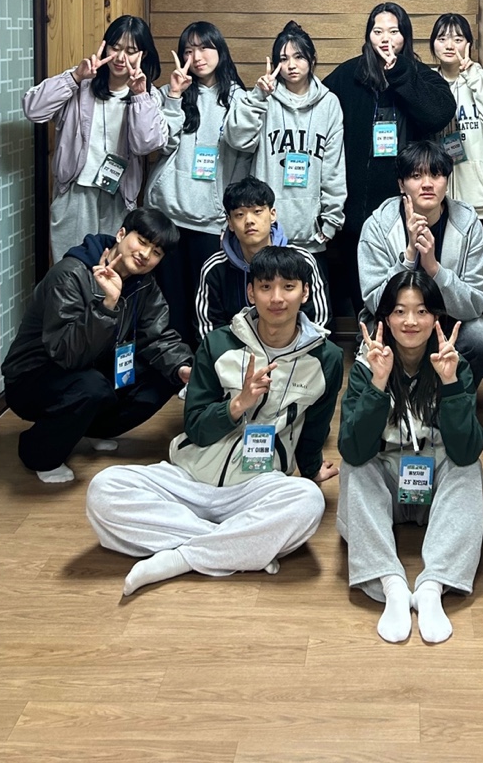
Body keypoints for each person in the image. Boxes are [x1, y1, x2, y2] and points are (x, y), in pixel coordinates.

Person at [85, 246, 343, 595]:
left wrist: (310, 470)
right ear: (251, 292)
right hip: (189, 477)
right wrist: (237, 405)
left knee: (308, 500)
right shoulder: (220, 342)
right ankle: (238, 547)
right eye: (265, 287)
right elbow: (195, 425)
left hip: (255, 488)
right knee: (104, 488)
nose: (276, 298)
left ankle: (179, 557)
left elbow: (314, 428)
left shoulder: (326, 358)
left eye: (288, 287)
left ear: (306, 292)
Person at [337, 271, 483, 644]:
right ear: (385, 318)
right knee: (354, 467)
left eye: (421, 311)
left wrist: (450, 383)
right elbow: (353, 449)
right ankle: (391, 584)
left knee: (469, 467)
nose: (410, 321)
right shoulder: (367, 367)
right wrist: (378, 383)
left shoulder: (455, 365)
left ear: (436, 317)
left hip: (434, 491)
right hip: (387, 488)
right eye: (400, 311)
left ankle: (433, 585)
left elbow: (466, 450)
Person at [2, 207, 192, 484]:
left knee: (165, 375)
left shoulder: (144, 285)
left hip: (92, 368)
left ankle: (91, 429)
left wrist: (183, 368)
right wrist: (107, 305)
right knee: (92, 387)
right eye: (141, 241)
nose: (145, 254)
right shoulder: (70, 274)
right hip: (34, 376)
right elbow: (67, 353)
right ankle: (39, 455)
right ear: (121, 234)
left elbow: (157, 336)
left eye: (156, 252)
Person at [324, 2, 456, 309]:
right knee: (363, 283)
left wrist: (399, 74)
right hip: (357, 203)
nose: (385, 38)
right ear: (368, 36)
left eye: (394, 31)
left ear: (405, 36)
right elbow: (316, 101)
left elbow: (439, 114)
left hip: (408, 203)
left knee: (409, 284)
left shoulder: (420, 75)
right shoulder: (349, 74)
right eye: (378, 31)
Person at [357, 141, 483, 386]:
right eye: (416, 176)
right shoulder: (378, 225)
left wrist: (434, 268)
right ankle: (402, 398)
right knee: (376, 343)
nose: (427, 184)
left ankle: (452, 395)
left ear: (446, 180)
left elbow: (478, 301)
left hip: (448, 321)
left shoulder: (468, 223)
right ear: (401, 184)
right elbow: (374, 301)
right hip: (394, 321)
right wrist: (409, 256)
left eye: (435, 175)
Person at [23, 15, 167, 262]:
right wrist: (75, 77)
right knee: (71, 267)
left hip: (118, 196)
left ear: (143, 55)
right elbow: (33, 110)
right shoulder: (81, 83)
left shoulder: (148, 94)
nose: (120, 57)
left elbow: (146, 145)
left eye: (131, 51)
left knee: (110, 268)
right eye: (115, 47)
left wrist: (139, 96)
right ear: (105, 47)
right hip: (75, 191)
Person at [145, 20, 248, 347]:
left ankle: (207, 361)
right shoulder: (169, 93)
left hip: (211, 219)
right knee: (170, 300)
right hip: (168, 213)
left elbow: (245, 155)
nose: (197, 57)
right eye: (188, 50)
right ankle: (176, 363)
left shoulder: (239, 99)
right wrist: (175, 95)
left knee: (207, 301)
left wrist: (231, 214)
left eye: (204, 47)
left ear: (220, 50)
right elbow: (161, 145)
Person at [224, 20, 346, 280]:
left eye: (298, 57)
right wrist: (257, 97)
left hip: (311, 234)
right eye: (283, 58)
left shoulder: (330, 104)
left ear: (312, 60)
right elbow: (237, 139)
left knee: (312, 301)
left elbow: (334, 167)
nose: (291, 65)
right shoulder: (262, 98)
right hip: (266, 235)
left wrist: (331, 220)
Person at [429, 12, 483, 339]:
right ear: (433, 44)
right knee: (452, 281)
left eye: (458, 38)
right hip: (449, 204)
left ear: (469, 43)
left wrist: (473, 77)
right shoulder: (429, 85)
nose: (449, 45)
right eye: (442, 38)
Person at [196, 176, 330, 340]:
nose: (249, 221)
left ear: (272, 214)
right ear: (230, 223)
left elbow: (319, 323)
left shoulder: (301, 260)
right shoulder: (215, 268)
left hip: (295, 351)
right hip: (235, 353)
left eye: (257, 212)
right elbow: (209, 332)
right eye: (239, 214)